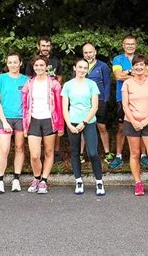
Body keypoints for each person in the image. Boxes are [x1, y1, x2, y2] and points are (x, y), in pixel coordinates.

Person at [62, 58, 105, 196]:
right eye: (80, 67)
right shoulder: (68, 85)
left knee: (92, 152)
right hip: (72, 122)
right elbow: (64, 107)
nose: (82, 70)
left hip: (88, 122)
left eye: (85, 68)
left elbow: (95, 106)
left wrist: (84, 122)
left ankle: (99, 182)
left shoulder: (91, 84)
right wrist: (69, 124)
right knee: (75, 152)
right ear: (74, 68)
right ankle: (78, 181)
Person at [22, 55, 64, 194]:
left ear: (46, 66)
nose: (39, 68)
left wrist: (60, 126)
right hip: (33, 120)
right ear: (33, 67)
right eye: (36, 66)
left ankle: (44, 180)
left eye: (41, 65)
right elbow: (25, 107)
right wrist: (24, 126)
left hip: (49, 120)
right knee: (34, 155)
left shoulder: (54, 84)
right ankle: (37, 178)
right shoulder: (29, 83)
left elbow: (59, 106)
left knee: (49, 151)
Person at [121, 55, 148, 197]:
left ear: (145, 67)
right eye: (136, 65)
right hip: (131, 122)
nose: (139, 67)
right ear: (132, 67)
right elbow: (125, 105)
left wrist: (145, 121)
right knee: (135, 154)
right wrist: (134, 121)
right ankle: (138, 183)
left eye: (141, 65)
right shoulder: (127, 84)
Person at [0, 53, 29, 193]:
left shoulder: (27, 80)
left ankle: (16, 179)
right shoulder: (0, 79)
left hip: (20, 119)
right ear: (6, 64)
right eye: (10, 62)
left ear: (20, 63)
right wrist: (4, 121)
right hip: (5, 119)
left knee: (20, 148)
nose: (13, 65)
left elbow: (29, 102)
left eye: (15, 62)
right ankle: (0, 181)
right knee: (4, 149)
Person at [110, 35, 148, 169]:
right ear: (123, 45)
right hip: (122, 98)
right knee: (121, 128)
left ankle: (143, 156)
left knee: (142, 126)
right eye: (127, 44)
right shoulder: (117, 59)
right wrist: (134, 73)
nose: (130, 46)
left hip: (141, 98)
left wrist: (127, 72)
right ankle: (119, 156)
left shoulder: (140, 59)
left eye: (132, 44)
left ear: (136, 45)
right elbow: (118, 76)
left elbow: (146, 75)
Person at [25, 36, 64, 163]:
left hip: (52, 96)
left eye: (48, 46)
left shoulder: (56, 61)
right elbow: (28, 80)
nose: (45, 48)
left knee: (55, 123)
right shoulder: (33, 61)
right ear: (38, 47)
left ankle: (55, 152)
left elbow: (59, 78)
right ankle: (38, 156)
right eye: (43, 46)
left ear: (50, 47)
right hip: (37, 99)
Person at [79, 43, 114, 164]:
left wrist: (105, 99)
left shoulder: (103, 66)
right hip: (84, 102)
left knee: (101, 126)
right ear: (83, 54)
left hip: (99, 101)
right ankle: (81, 154)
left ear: (95, 52)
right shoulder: (80, 66)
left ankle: (107, 153)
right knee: (83, 126)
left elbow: (107, 83)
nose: (88, 55)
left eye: (90, 52)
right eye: (86, 52)